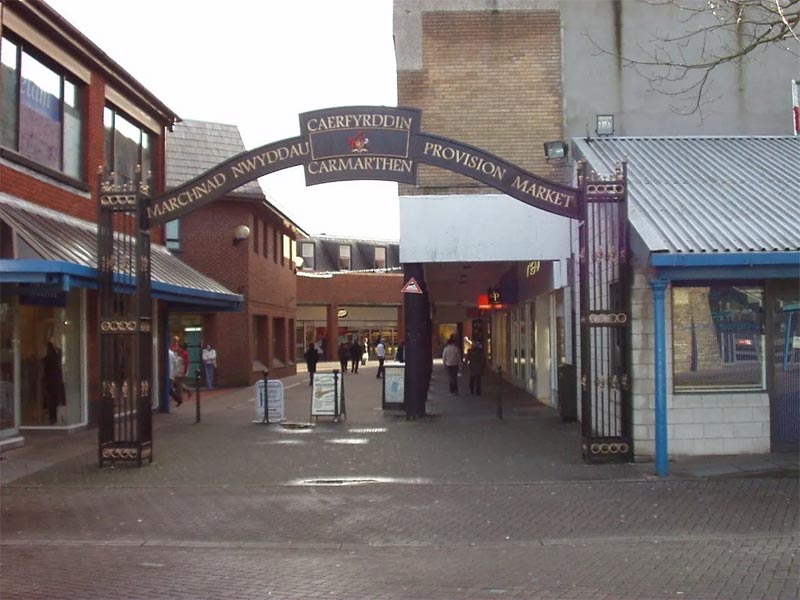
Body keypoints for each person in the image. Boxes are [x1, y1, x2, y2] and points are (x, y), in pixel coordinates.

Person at [42, 337, 66, 424]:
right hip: (51, 378)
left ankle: (59, 417)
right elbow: (45, 364)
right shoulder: (48, 351)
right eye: (53, 340)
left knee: (59, 398)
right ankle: (53, 418)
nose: (55, 341)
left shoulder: (58, 350)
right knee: (52, 398)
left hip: (58, 378)